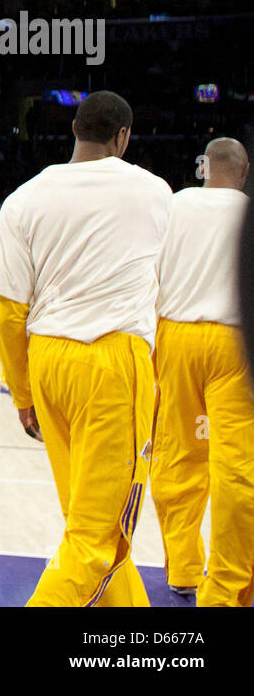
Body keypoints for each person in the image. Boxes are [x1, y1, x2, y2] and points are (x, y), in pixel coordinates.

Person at [0, 90, 172, 606]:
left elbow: (8, 310)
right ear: (124, 137)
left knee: (89, 523)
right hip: (112, 365)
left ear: (73, 129)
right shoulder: (155, 193)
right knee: (97, 538)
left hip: (49, 365)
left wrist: (22, 393)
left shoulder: (24, 199)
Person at [151, 137, 254, 606]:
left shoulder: (174, 204)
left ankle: (185, 568)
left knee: (178, 456)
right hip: (234, 344)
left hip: (177, 336)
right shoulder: (247, 212)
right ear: (245, 169)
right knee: (236, 468)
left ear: (202, 167)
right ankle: (227, 589)